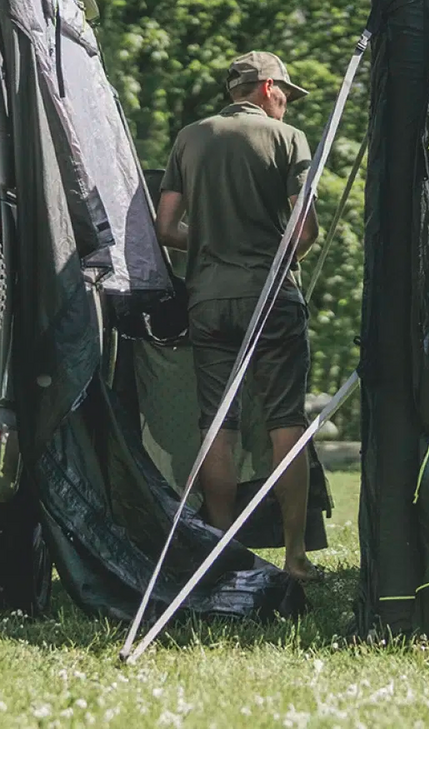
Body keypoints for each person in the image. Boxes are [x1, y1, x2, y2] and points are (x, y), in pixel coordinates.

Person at [155, 51, 322, 582]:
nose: (285, 103)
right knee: (285, 424)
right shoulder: (288, 138)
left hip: (207, 299)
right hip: (271, 298)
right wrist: (273, 259)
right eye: (285, 94)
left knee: (217, 427)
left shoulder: (190, 136)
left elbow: (166, 227)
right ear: (268, 87)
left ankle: (219, 552)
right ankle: (294, 555)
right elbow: (305, 230)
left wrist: (206, 245)